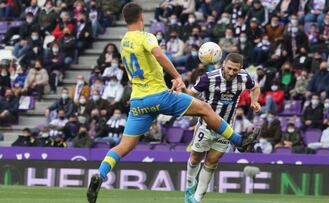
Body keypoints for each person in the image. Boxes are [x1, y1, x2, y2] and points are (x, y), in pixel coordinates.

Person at [87, 3, 261, 203]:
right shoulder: (146, 37)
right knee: (204, 108)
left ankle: (100, 173)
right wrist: (177, 76)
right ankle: (240, 141)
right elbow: (159, 54)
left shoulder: (124, 40)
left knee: (124, 146)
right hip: (159, 95)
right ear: (141, 17)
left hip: (138, 101)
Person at [183, 53, 261, 203]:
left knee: (212, 162)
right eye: (229, 68)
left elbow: (255, 87)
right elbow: (191, 95)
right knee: (195, 158)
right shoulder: (209, 77)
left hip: (226, 129)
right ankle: (189, 188)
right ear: (223, 64)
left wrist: (254, 102)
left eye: (235, 70)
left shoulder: (244, 76)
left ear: (241, 68)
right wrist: (182, 93)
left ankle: (197, 199)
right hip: (205, 126)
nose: (231, 72)